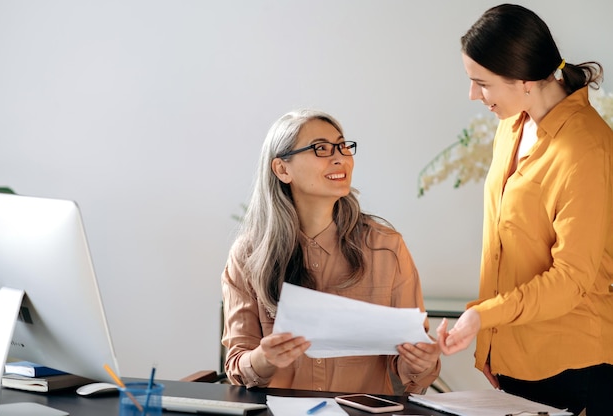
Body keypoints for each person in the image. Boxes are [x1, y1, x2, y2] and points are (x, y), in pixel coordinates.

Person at [436, 4, 613, 415]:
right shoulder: (512, 124)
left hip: (572, 365)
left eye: (482, 83)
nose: (473, 95)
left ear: (525, 80)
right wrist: (493, 347)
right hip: (517, 359)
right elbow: (504, 247)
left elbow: (571, 279)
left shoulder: (587, 149)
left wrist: (483, 317)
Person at [221, 109, 440, 395]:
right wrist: (264, 359)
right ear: (282, 169)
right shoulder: (248, 255)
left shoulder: (386, 247)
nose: (340, 158)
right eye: (321, 149)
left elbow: (413, 376)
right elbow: (238, 367)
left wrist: (421, 361)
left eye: (343, 146)